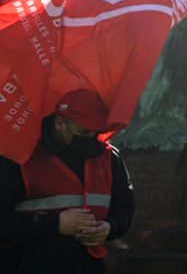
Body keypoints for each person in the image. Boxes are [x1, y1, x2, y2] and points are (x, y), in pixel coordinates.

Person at [0, 89, 135, 273]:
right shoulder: (21, 158)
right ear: (60, 123)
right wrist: (55, 224)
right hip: (29, 263)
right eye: (84, 131)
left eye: (95, 132)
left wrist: (110, 227)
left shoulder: (109, 158)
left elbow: (125, 206)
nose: (90, 139)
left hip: (87, 264)